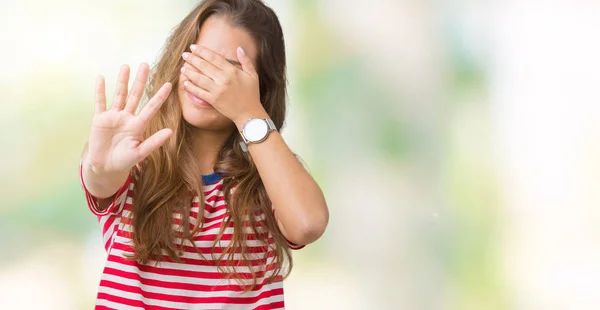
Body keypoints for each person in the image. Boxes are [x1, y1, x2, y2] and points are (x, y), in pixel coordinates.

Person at [79, 0, 329, 308]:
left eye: (229, 71)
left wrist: (249, 112)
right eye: (199, 60)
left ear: (261, 88)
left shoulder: (268, 182)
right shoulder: (135, 163)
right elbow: (101, 178)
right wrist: (99, 165)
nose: (207, 79)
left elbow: (307, 223)